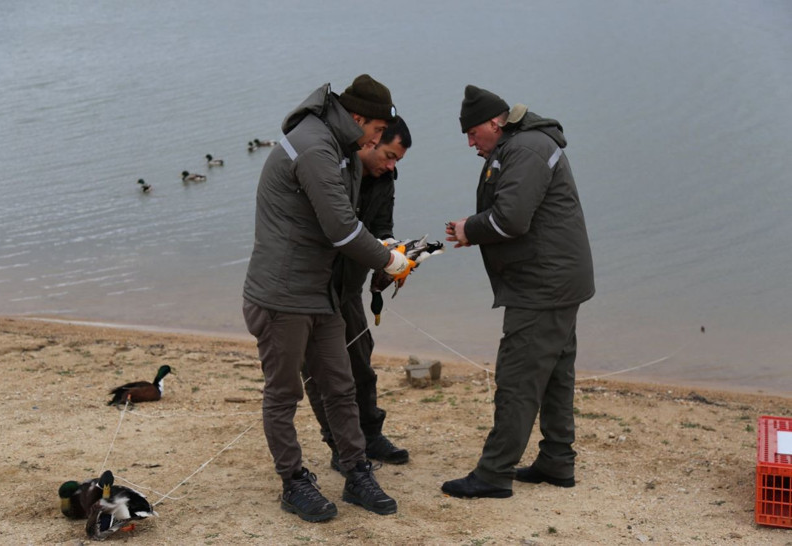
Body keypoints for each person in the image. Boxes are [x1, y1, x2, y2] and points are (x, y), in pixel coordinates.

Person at [242, 75, 415, 522]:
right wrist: (390, 262)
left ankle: (357, 472)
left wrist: (386, 250)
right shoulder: (315, 146)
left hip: (323, 293)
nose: (377, 140)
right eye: (379, 132)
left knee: (340, 387)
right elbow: (341, 228)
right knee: (283, 395)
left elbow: (354, 220)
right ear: (359, 118)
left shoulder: (341, 149)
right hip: (282, 295)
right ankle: (294, 482)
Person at [441, 85, 595, 499]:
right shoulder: (523, 144)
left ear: (495, 122)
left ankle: (493, 473)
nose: (471, 143)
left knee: (518, 378)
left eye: (473, 133)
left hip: (543, 284)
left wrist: (468, 230)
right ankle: (557, 461)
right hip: (558, 279)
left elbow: (511, 219)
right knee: (555, 374)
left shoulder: (524, 149)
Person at [303, 117, 412, 471]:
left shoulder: (385, 180)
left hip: (349, 286)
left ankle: (371, 435)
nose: (391, 165)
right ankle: (338, 445)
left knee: (361, 364)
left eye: (398, 160)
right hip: (312, 287)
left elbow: (383, 230)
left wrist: (392, 260)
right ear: (370, 141)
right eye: (389, 155)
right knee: (322, 372)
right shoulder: (333, 169)